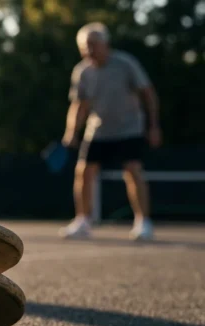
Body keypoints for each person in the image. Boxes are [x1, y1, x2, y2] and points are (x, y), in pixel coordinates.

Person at [60, 22, 161, 241]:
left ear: (105, 43)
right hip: (98, 130)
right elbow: (80, 105)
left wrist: (153, 126)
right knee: (83, 172)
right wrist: (72, 131)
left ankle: (143, 221)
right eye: (85, 46)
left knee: (133, 170)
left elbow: (148, 94)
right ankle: (83, 221)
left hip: (129, 127)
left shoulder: (126, 64)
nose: (89, 50)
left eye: (93, 44)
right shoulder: (82, 71)